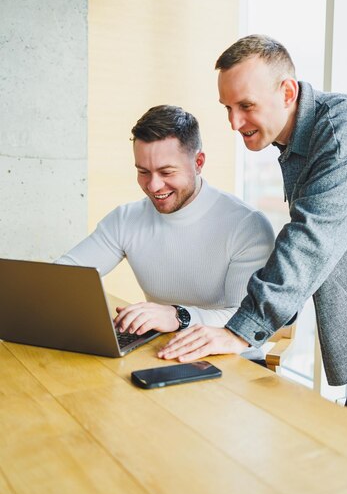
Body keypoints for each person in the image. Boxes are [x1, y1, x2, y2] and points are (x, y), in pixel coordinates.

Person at [158, 34, 347, 432]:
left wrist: (241, 331)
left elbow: (312, 238)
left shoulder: (346, 131)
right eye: (228, 108)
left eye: (246, 106)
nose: (234, 123)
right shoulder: (298, 141)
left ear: (287, 91)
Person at [57, 104, 275, 361]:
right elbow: (64, 277)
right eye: (143, 172)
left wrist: (177, 316)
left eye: (166, 172)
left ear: (198, 162)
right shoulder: (126, 219)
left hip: (235, 364)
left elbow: (245, 320)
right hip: (163, 353)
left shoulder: (247, 226)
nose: (153, 185)